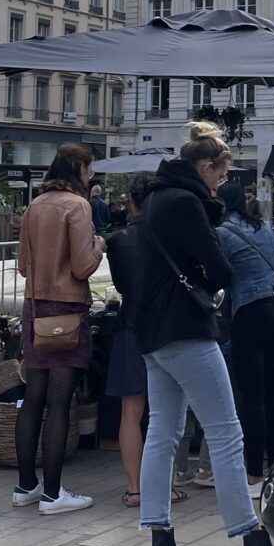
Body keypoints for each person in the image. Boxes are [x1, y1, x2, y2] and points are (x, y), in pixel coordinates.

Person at [123, 121, 274, 546]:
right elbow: (220, 269)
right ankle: (253, 544)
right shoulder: (186, 203)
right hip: (186, 329)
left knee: (162, 433)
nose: (220, 184)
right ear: (205, 166)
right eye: (219, 175)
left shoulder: (155, 201)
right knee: (227, 433)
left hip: (152, 334)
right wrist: (206, 268)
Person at [13, 144, 104, 514]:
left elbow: (22, 264)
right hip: (67, 310)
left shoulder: (35, 205)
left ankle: (25, 486)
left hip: (35, 307)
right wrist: (98, 245)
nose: (91, 175)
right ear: (79, 167)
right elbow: (83, 266)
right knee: (60, 401)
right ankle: (53, 492)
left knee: (33, 397)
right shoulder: (77, 206)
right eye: (90, 169)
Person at [219, 183, 274, 498]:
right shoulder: (264, 229)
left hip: (250, 312)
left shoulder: (221, 233)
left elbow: (215, 274)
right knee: (269, 392)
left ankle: (254, 476)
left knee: (251, 397)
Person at [105, 174, 159, 509]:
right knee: (165, 414)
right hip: (164, 327)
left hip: (129, 324)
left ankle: (134, 488)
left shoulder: (118, 240)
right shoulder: (169, 236)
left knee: (131, 411)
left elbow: (121, 284)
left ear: (131, 203)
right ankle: (161, 487)